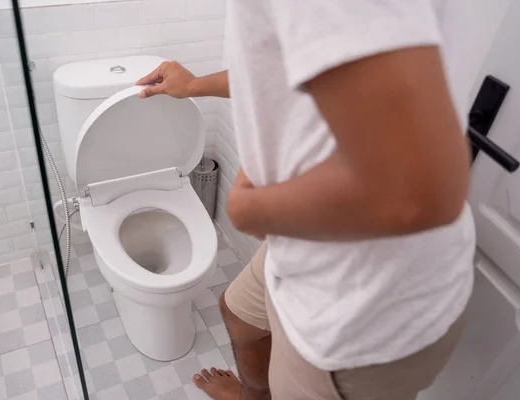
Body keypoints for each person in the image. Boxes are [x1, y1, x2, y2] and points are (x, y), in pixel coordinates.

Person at [136, 1, 475, 399]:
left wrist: (248, 210)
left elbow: (417, 189)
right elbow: (289, 71)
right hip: (311, 243)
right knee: (239, 318)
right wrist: (194, 86)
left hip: (364, 306)